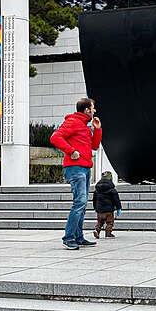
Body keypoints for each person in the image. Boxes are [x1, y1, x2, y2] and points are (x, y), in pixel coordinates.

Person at [50, 97, 102, 250]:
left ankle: (78, 237)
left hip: (84, 167)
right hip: (75, 168)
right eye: (93, 108)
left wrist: (97, 129)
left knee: (82, 204)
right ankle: (69, 237)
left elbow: (94, 145)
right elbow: (55, 137)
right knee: (79, 203)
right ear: (86, 110)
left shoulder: (84, 126)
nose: (94, 110)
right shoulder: (72, 122)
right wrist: (71, 151)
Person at [92, 170, 122, 238]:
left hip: (100, 210)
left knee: (100, 222)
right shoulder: (112, 190)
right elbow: (116, 200)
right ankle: (108, 233)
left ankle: (97, 230)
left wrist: (95, 207)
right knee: (110, 222)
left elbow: (94, 200)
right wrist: (118, 208)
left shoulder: (97, 190)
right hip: (109, 210)